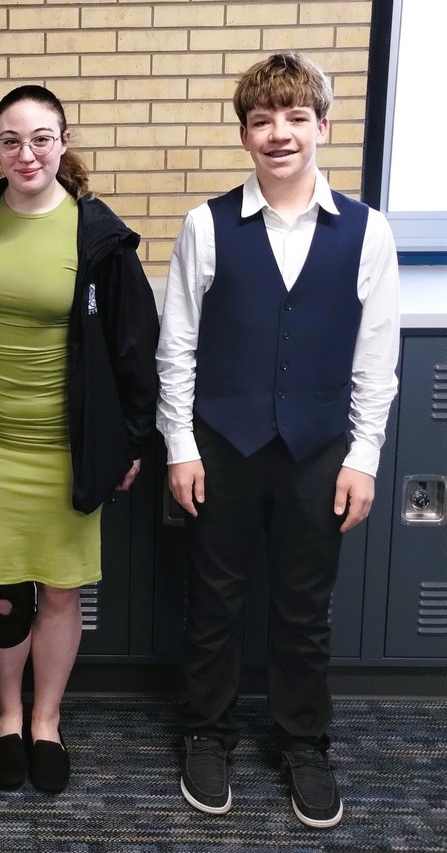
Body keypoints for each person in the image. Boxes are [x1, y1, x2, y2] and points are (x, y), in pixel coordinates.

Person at [156, 52, 400, 828]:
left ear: (322, 126)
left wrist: (363, 457)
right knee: (214, 600)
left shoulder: (367, 231)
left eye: (296, 117)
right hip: (222, 445)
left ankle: (302, 741)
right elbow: (177, 346)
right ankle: (207, 731)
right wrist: (179, 445)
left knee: (304, 608)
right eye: (262, 120)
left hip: (319, 450)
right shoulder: (206, 225)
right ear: (245, 135)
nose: (279, 133)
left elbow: (376, 358)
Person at [0, 85, 159, 794]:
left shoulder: (99, 237)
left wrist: (130, 442)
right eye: (11, 140)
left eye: (41, 138)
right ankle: (7, 716)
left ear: (63, 143)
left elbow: (135, 349)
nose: (27, 153)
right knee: (0, 594)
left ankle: (46, 720)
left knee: (62, 592)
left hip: (69, 450)